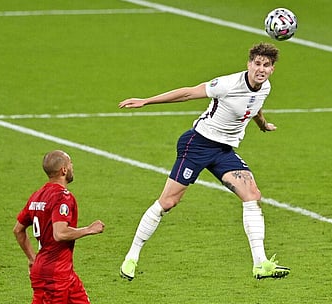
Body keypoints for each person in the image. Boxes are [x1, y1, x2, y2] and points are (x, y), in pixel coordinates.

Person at [118, 42, 290, 280]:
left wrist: (263, 125)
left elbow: (255, 107)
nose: (261, 69)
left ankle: (260, 263)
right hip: (197, 144)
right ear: (249, 64)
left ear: (272, 69)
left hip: (223, 150)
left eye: (267, 65)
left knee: (251, 195)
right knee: (168, 202)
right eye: (257, 63)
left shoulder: (265, 87)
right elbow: (188, 92)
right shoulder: (228, 84)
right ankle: (131, 257)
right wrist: (146, 101)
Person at [13, 150, 105, 304]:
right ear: (63, 169)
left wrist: (32, 258)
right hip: (54, 277)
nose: (72, 167)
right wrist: (89, 229)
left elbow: (18, 230)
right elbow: (60, 233)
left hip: (64, 273)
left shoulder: (37, 196)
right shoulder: (63, 197)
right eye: (70, 163)